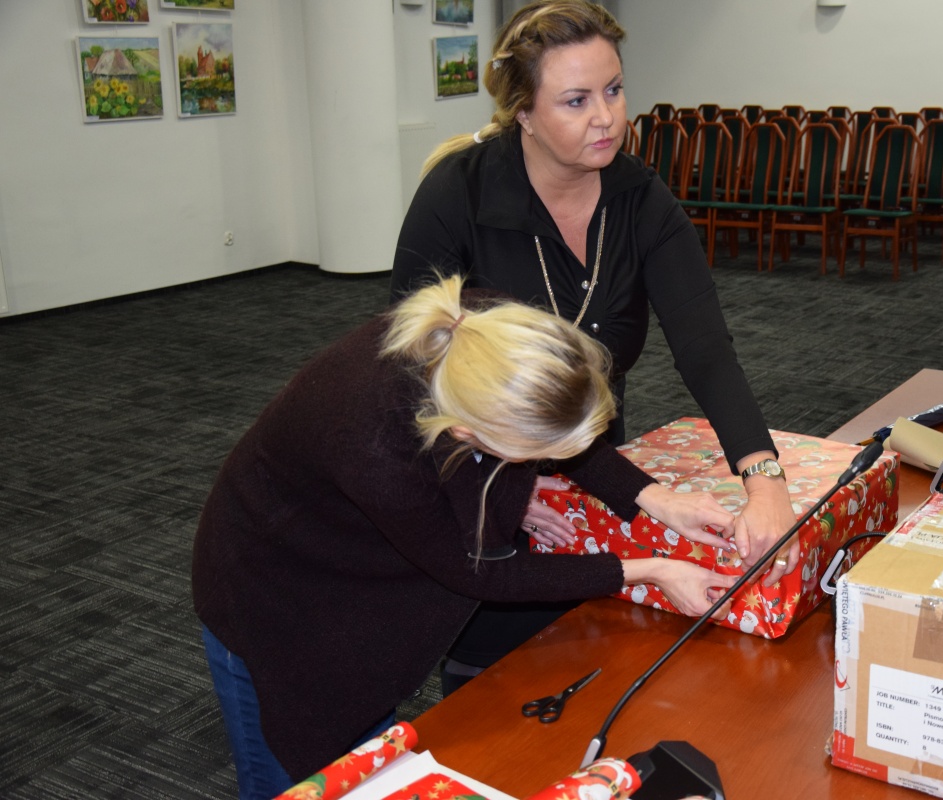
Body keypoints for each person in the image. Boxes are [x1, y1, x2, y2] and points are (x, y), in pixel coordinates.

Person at [191, 276, 739, 798]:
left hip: (359, 569)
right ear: (466, 433)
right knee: (300, 776)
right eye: (532, 458)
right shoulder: (376, 443)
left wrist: (654, 498)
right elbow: (481, 570)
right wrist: (652, 569)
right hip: (276, 598)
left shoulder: (487, 334)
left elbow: (556, 420)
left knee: (366, 759)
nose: (546, 465)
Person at [390, 0, 797, 585]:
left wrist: (764, 481)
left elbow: (705, 350)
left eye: (614, 90)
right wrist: (494, 486)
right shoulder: (457, 195)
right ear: (524, 112)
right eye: (576, 101)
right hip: (472, 473)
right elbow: (407, 374)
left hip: (599, 467)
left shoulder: (642, 200)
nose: (606, 117)